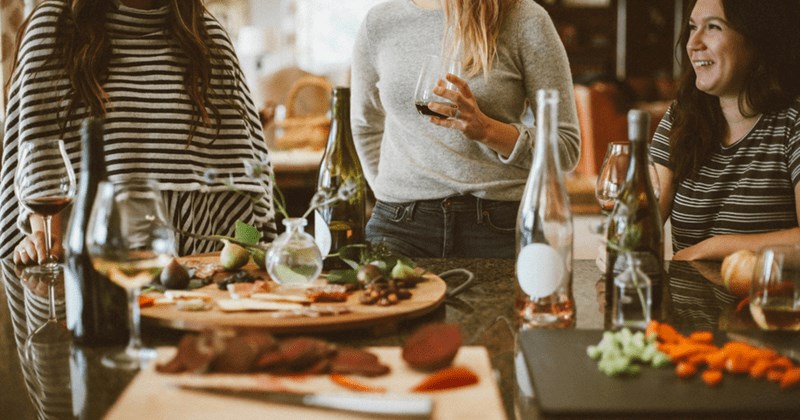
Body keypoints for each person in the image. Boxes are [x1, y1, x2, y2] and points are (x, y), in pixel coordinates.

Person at [2, 0, 277, 264]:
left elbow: (246, 191)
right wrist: (43, 243)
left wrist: (249, 261)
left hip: (199, 269)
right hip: (92, 269)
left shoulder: (208, 37)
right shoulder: (53, 28)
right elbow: (39, 171)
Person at [350, 0, 580, 258]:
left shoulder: (524, 18)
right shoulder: (378, 22)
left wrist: (486, 130)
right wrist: (387, 192)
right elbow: (365, 126)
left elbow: (566, 147)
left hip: (499, 226)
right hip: (399, 227)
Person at [650, 0, 800, 260]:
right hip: (689, 301)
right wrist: (621, 242)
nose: (693, 43)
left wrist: (712, 248)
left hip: (767, 300)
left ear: (757, 38)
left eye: (713, 27)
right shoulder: (680, 116)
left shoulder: (792, 121)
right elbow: (644, 220)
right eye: (692, 27)